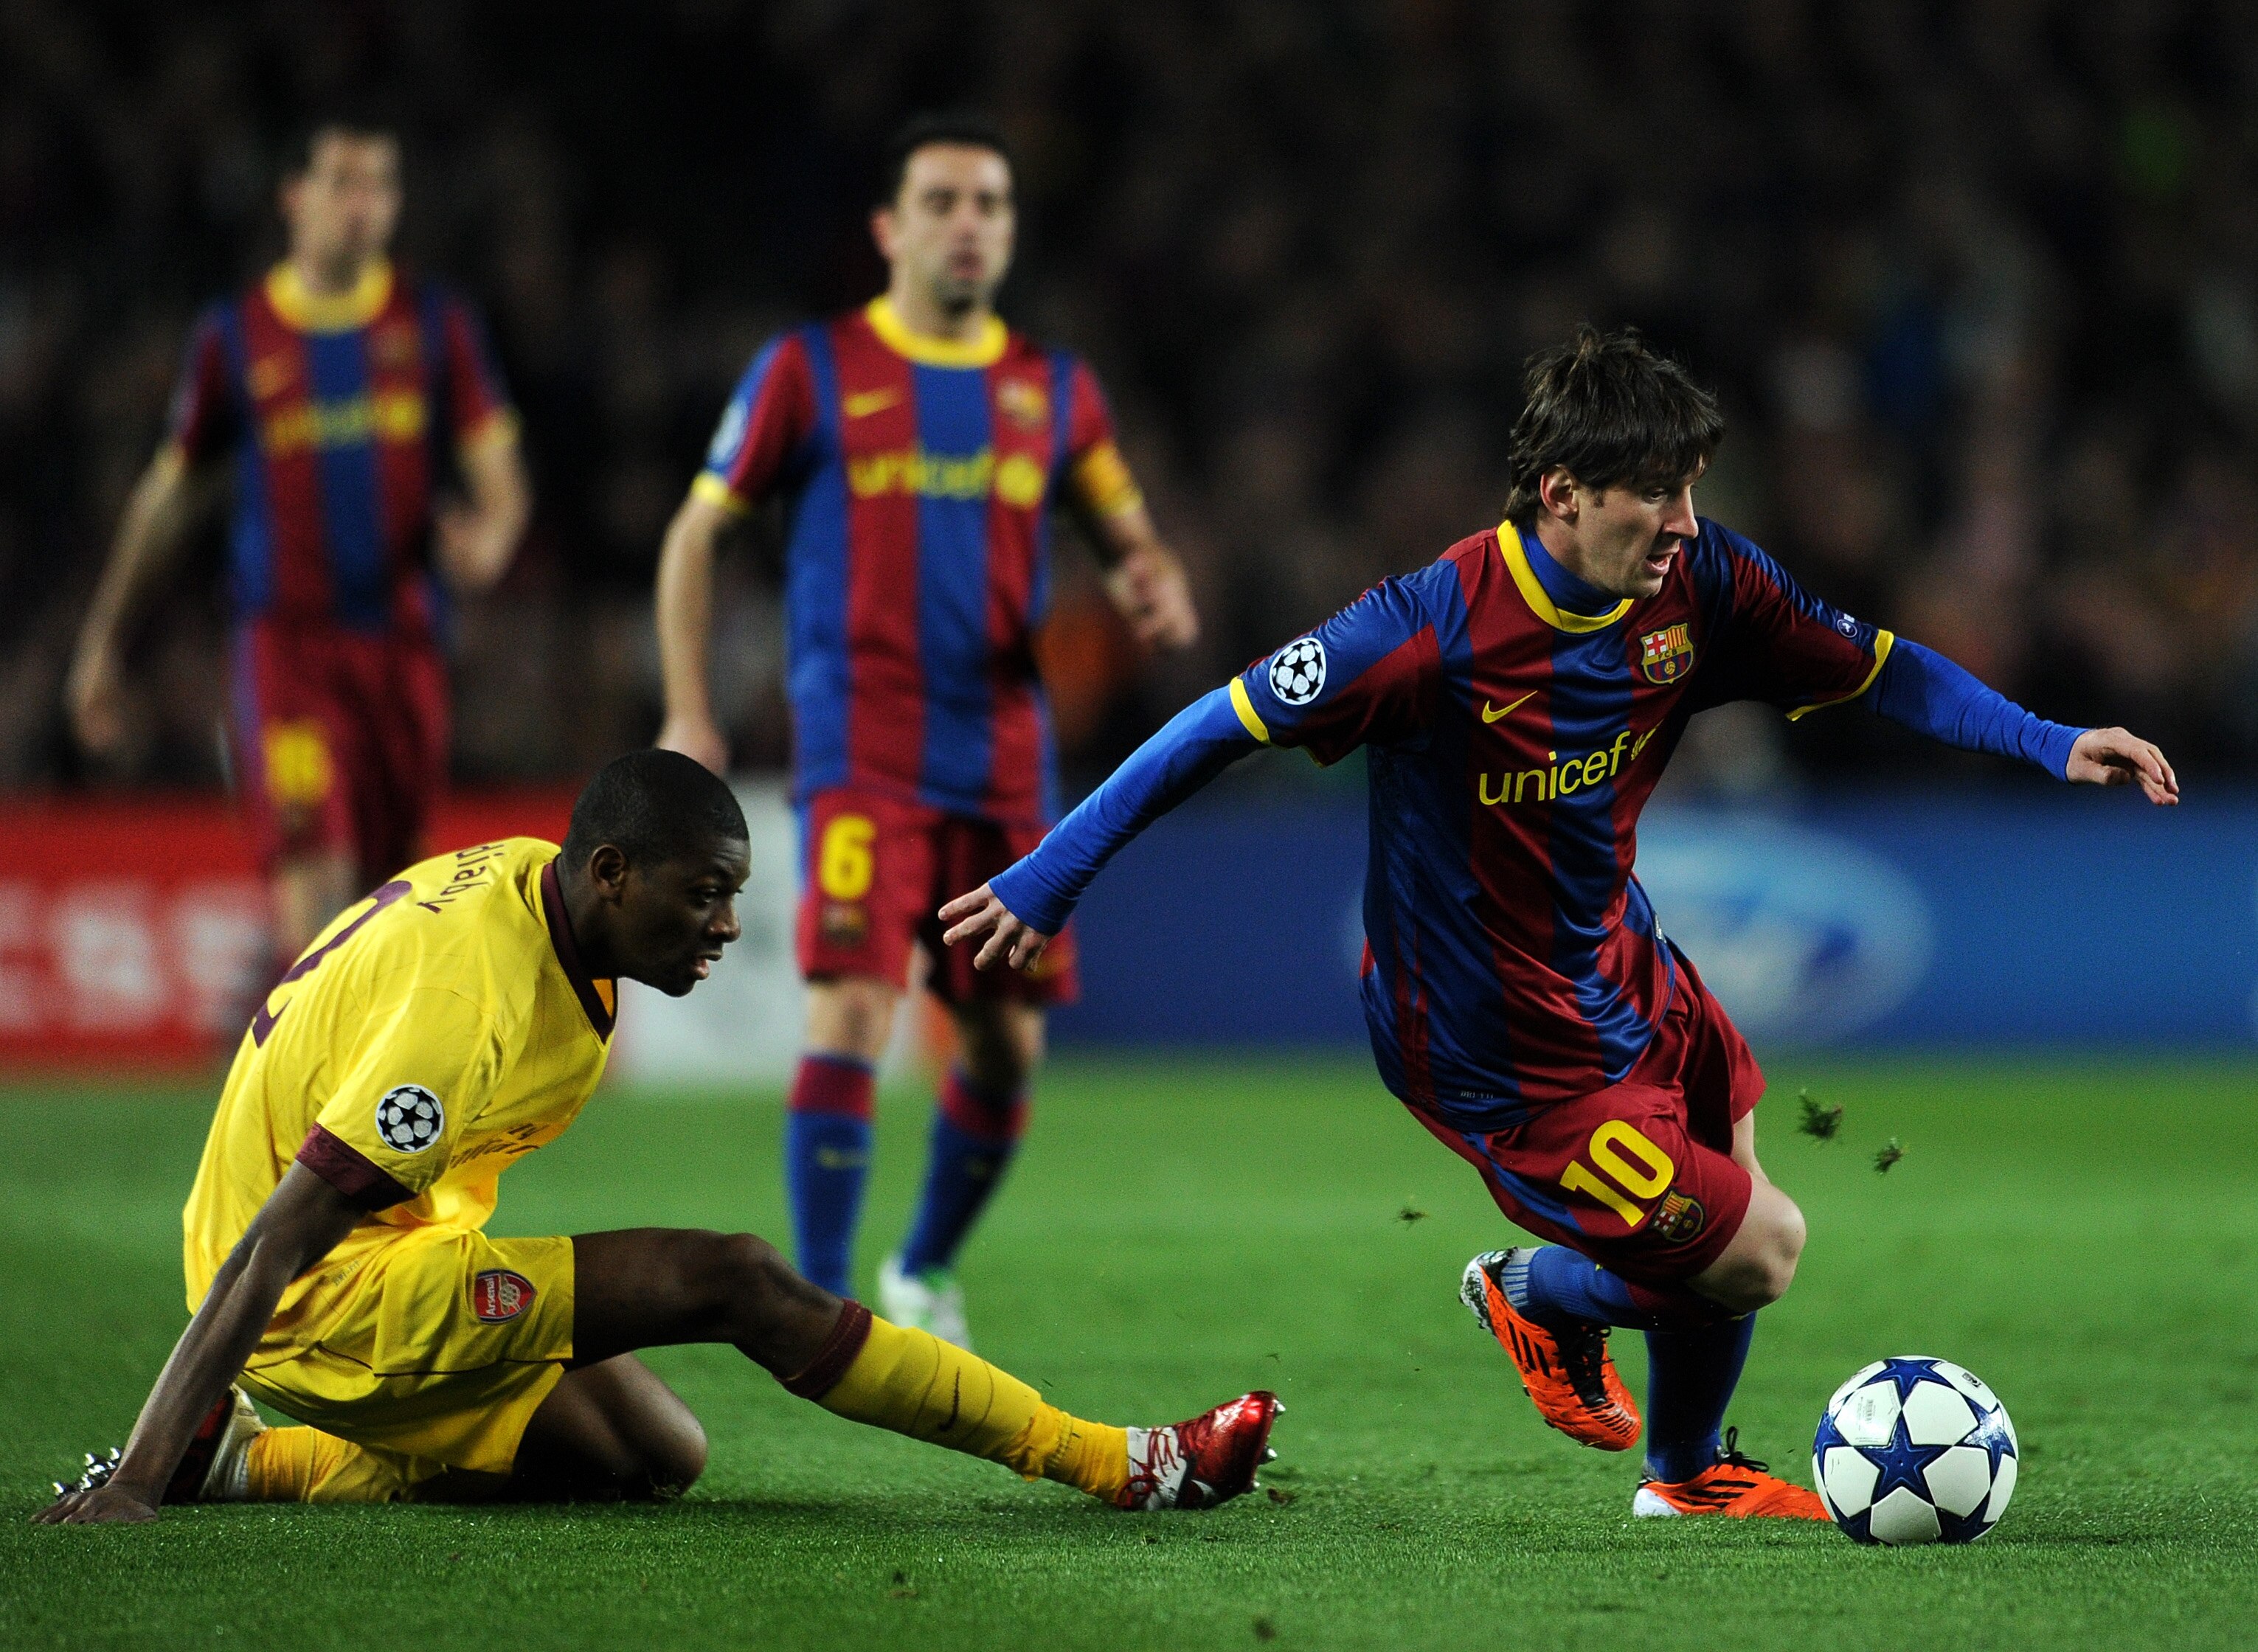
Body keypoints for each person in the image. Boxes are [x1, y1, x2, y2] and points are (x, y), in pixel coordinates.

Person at [939, 327, 2177, 1519]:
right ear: (1561, 492)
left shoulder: (1705, 583)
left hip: (1616, 956)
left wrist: (2051, 739)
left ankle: (1685, 1477)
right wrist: (1050, 876)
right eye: (1655, 495)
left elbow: (1881, 665)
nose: (1685, 523)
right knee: (1757, 1253)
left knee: (1733, 1160)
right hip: (1486, 1037)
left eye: (1691, 490)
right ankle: (1534, 1290)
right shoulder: (1426, 627)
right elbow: (1213, 726)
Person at [38, 750, 1278, 1524]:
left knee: (652, 1456)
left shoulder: (540, 888)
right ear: (617, 874)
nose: (728, 926)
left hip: (404, 1246)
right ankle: (1118, 1462)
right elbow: (276, 1245)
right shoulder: (467, 1006)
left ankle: (258, 1468)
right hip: (329, 1297)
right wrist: (140, 1472)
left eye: (733, 895)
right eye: (706, 895)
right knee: (733, 1277)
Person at [653, 112, 1200, 1344]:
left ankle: (923, 1267)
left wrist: (1149, 578)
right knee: (853, 1002)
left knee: (1006, 1045)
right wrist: (690, 707)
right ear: (891, 229)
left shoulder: (1053, 392)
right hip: (862, 742)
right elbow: (698, 531)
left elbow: (1130, 533)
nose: (969, 225)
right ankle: (820, 1305)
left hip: (1004, 758)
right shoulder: (813, 369)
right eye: (944, 201)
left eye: (991, 204)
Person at [66, 116, 531, 968]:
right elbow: (169, 497)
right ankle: (309, 1087)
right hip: (287, 648)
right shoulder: (238, 338)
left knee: (400, 895)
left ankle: (367, 1082)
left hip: (405, 647)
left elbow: (497, 470)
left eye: (381, 186)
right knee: (315, 878)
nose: (364, 206)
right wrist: (103, 640)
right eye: (343, 183)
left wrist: (492, 540)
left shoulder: (434, 324)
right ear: (294, 196)